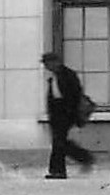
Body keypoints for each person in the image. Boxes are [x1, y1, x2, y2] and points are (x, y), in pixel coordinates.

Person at [41, 51, 95, 180]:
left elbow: (75, 95)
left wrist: (71, 112)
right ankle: (59, 169)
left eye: (47, 63)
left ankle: (61, 169)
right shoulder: (55, 76)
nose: (46, 66)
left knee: (59, 141)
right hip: (57, 113)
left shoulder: (68, 75)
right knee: (59, 141)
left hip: (65, 113)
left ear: (55, 62)